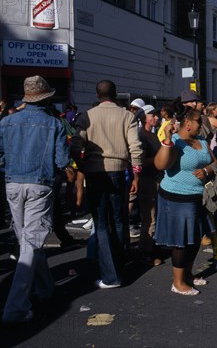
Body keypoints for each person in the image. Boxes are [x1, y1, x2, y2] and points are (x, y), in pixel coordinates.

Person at [0, 76, 68, 323]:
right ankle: (15, 307)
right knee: (31, 243)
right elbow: (61, 161)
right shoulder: (54, 124)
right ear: (47, 98)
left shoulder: (7, 122)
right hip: (40, 184)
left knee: (26, 241)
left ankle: (45, 288)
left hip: (13, 183)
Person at [70, 80, 143, 289]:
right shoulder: (127, 116)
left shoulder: (87, 116)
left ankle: (110, 274)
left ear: (97, 94)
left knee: (101, 223)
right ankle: (120, 264)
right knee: (120, 220)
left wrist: (82, 163)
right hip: (118, 171)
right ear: (115, 94)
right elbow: (135, 148)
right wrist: (136, 175)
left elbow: (76, 145)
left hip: (95, 171)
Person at [153, 109, 217, 295]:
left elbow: (216, 163)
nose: (202, 124)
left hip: (198, 198)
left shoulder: (202, 141)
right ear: (188, 122)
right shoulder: (175, 142)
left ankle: (188, 275)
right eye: (199, 121)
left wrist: (207, 171)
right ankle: (178, 282)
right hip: (177, 198)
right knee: (180, 241)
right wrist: (167, 139)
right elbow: (160, 165)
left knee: (194, 239)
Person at [137, 105, 163, 265]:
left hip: (156, 178)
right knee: (149, 217)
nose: (156, 118)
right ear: (144, 118)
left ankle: (151, 247)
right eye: (152, 115)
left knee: (154, 216)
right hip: (147, 180)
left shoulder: (152, 135)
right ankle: (145, 251)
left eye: (156, 114)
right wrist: (159, 159)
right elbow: (140, 161)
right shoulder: (142, 136)